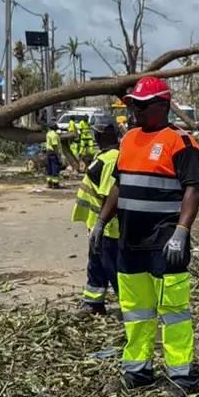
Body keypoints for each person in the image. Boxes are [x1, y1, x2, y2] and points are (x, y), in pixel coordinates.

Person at [96, 77, 199, 392]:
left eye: (143, 106)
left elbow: (192, 189)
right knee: (136, 310)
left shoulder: (180, 142)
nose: (136, 111)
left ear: (162, 106)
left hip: (165, 240)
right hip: (131, 242)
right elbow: (119, 185)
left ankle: (181, 375)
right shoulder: (128, 140)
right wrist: (102, 222)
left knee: (173, 310)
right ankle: (138, 370)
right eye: (134, 105)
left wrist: (182, 231)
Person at [72, 122, 122, 315]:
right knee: (96, 265)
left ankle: (132, 309)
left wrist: (101, 223)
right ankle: (94, 303)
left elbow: (109, 195)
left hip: (110, 228)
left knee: (113, 269)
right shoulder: (104, 157)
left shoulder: (110, 161)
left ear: (100, 136)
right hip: (98, 226)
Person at [43, 124, 62, 189]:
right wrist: (58, 155)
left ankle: (49, 183)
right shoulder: (54, 135)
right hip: (53, 153)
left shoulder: (48, 134)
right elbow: (55, 145)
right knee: (55, 168)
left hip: (48, 152)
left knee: (49, 168)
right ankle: (55, 184)